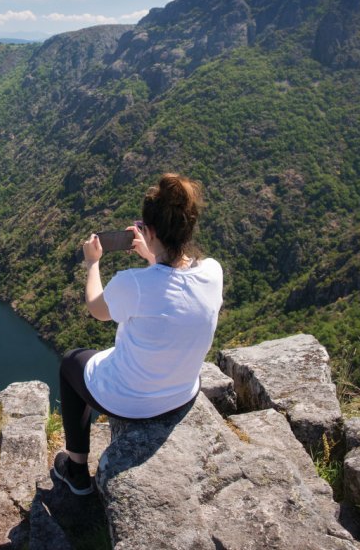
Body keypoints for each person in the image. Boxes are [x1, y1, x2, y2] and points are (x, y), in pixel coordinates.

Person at [53, 173, 223, 495]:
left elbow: (96, 309)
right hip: (182, 393)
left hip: (129, 401)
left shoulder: (133, 283)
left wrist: (92, 263)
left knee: (71, 362)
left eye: (142, 227)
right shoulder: (213, 272)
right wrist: (153, 257)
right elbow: (172, 288)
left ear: (152, 231)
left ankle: (76, 470)